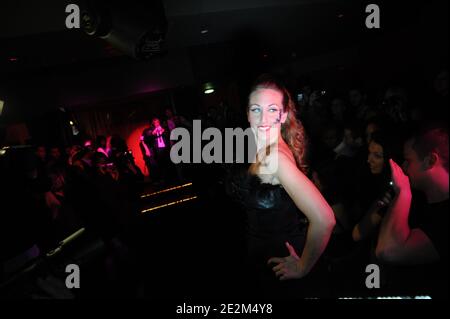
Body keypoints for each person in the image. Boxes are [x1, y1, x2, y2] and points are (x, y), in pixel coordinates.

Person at [228, 74, 335, 298]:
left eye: (272, 109)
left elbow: (325, 219)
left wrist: (303, 266)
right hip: (269, 265)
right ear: (247, 114)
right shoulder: (267, 149)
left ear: (283, 115)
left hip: (283, 271)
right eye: (256, 109)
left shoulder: (275, 157)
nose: (263, 118)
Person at [376, 128, 448, 298]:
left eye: (408, 160)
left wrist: (403, 192)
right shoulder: (421, 201)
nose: (404, 167)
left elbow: (387, 251)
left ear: (430, 160)